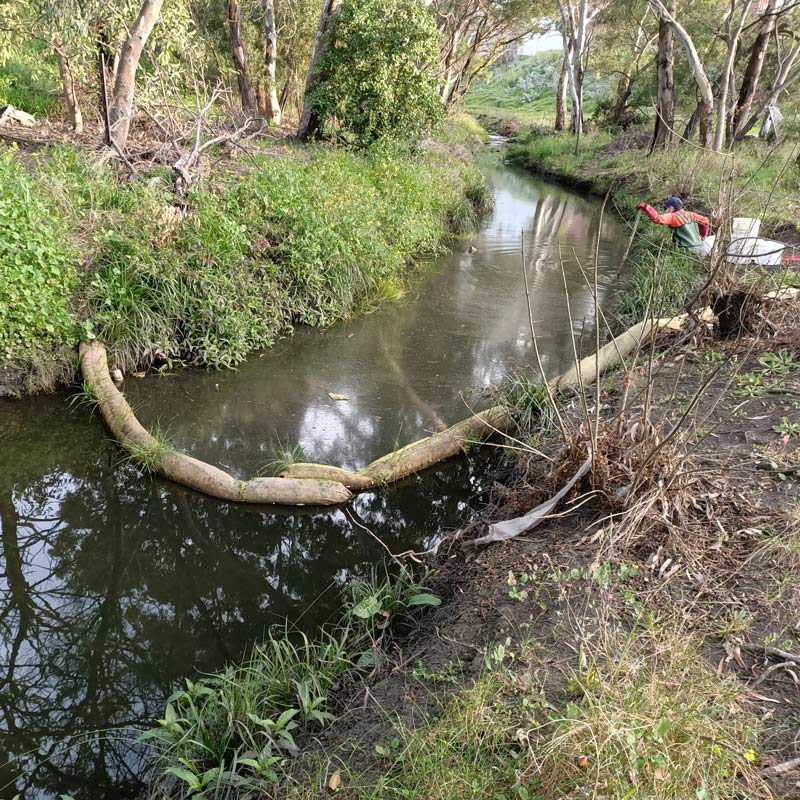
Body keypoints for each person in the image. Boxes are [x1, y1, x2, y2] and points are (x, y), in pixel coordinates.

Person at [635, 196, 711, 253]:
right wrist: (702, 236)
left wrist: (646, 207)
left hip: (685, 251)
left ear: (671, 208)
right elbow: (706, 221)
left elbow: (657, 219)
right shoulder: (692, 214)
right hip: (699, 248)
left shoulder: (673, 217)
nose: (665, 210)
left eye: (666, 208)